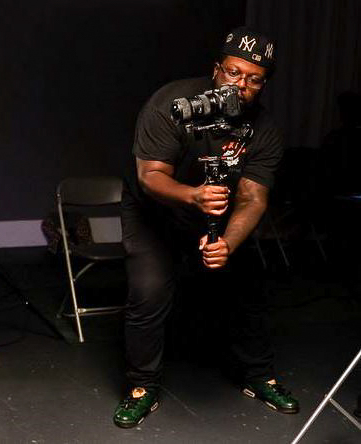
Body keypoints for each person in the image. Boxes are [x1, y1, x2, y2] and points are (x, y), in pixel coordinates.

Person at [113, 27, 299, 428]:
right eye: (233, 73)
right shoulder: (171, 104)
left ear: (263, 84)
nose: (241, 85)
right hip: (155, 212)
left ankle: (259, 375)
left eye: (254, 79)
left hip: (217, 212)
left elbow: (253, 198)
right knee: (148, 292)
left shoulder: (264, 129)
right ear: (217, 70)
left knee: (250, 285)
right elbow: (150, 175)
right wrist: (192, 195)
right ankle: (142, 386)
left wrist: (227, 243)